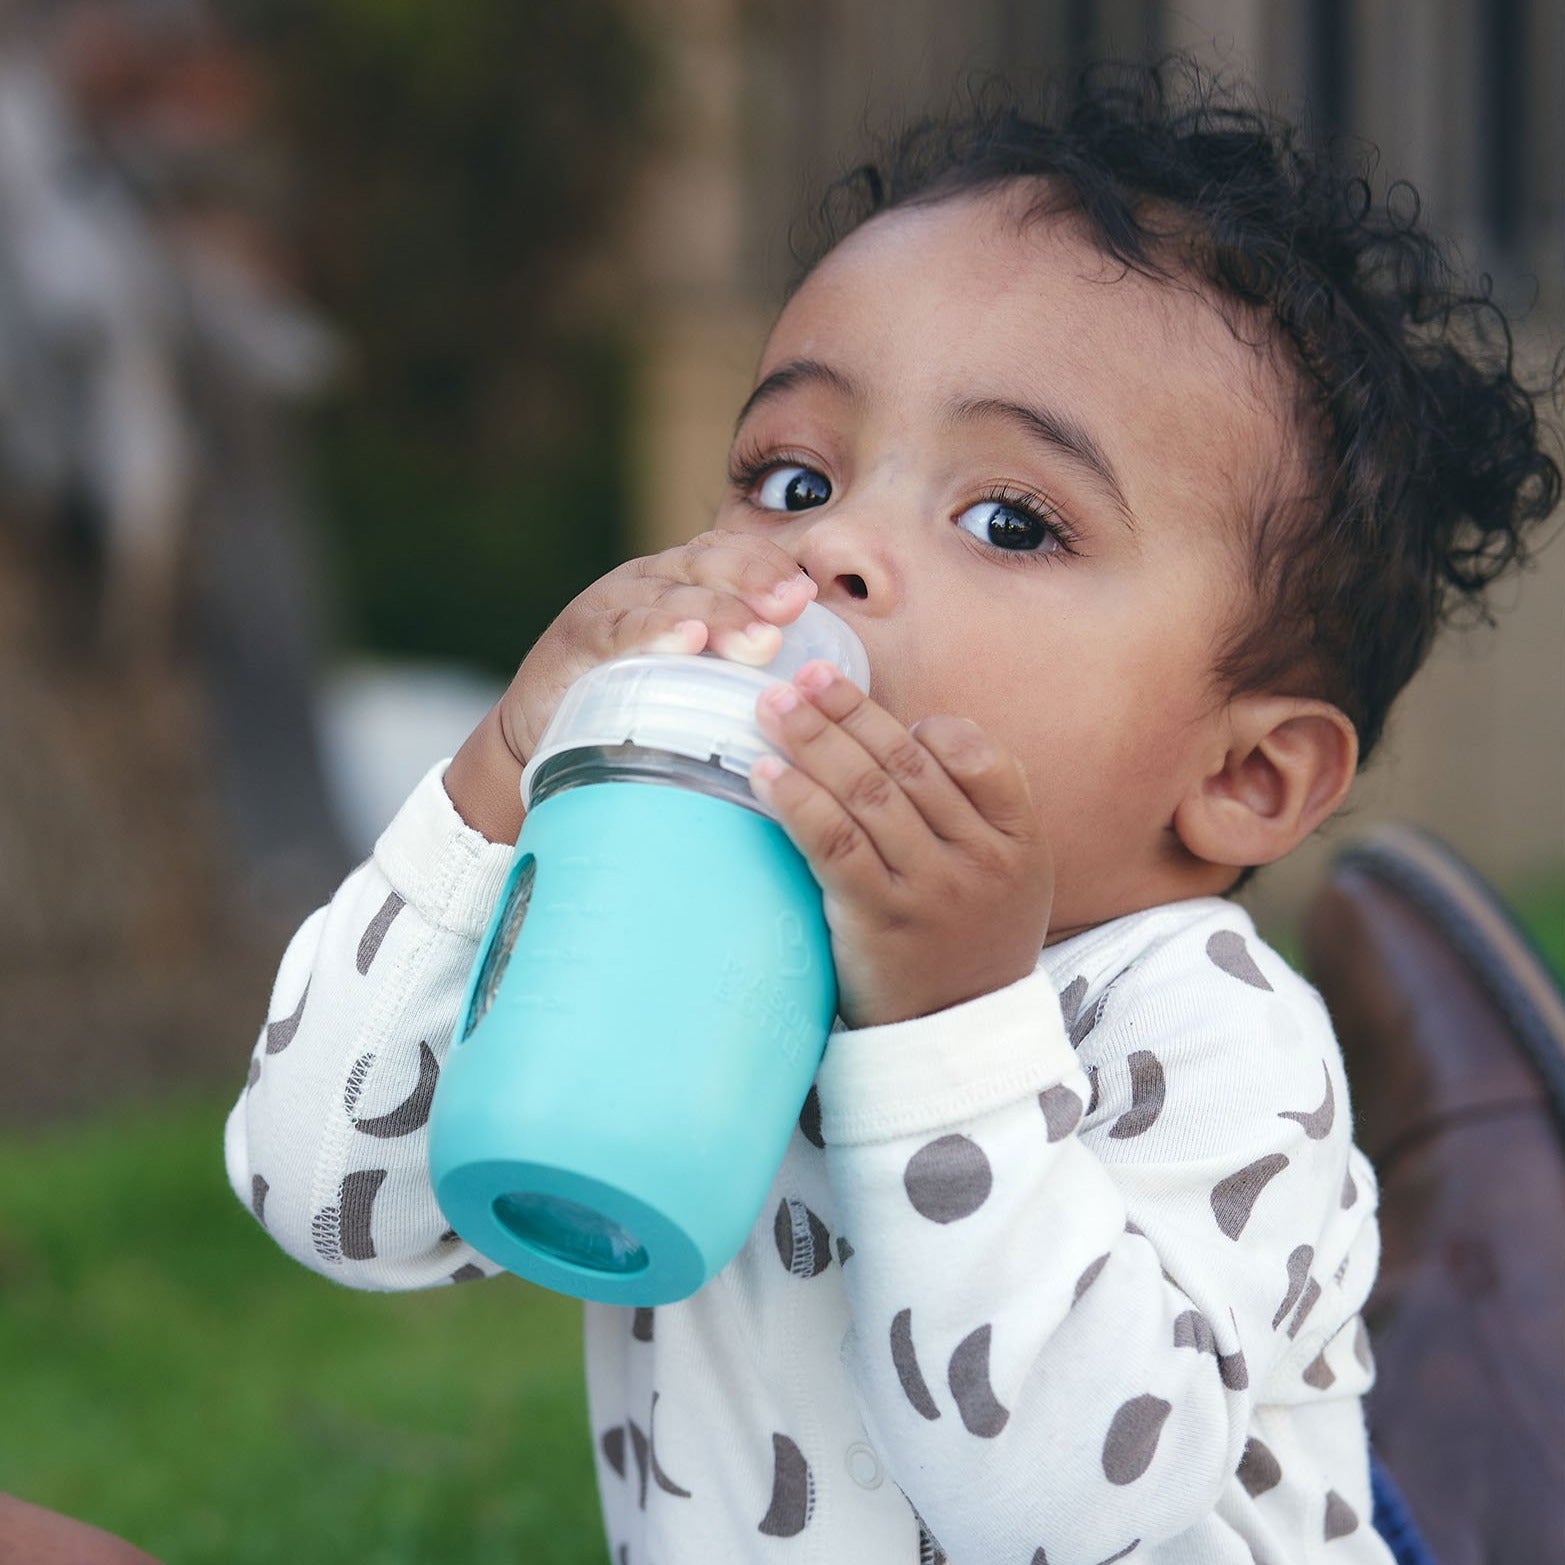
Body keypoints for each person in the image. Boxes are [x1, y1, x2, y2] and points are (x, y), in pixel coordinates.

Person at [224, 63, 1559, 1564]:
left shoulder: (1206, 1030)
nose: (832, 548)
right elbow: (331, 1201)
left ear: (1242, 777)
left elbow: (1063, 1512)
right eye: (792, 478)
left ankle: (1494, 1345)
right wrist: (500, 777)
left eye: (1010, 520)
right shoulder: (687, 918)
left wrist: (947, 1029)